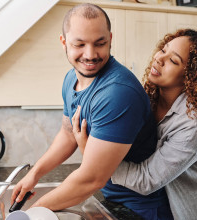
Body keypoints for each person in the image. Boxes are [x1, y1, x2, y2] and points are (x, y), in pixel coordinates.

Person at [11, 3, 173, 219]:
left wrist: (32, 213)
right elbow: (68, 133)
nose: (90, 55)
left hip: (143, 209)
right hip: (113, 198)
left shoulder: (118, 93)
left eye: (100, 43)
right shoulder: (71, 79)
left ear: (110, 39)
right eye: (79, 44)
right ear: (64, 42)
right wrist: (34, 174)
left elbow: (90, 180)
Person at [72, 28, 197, 219]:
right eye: (163, 50)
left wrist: (93, 156)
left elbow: (146, 180)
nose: (159, 58)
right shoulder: (149, 99)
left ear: (192, 77)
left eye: (173, 60)